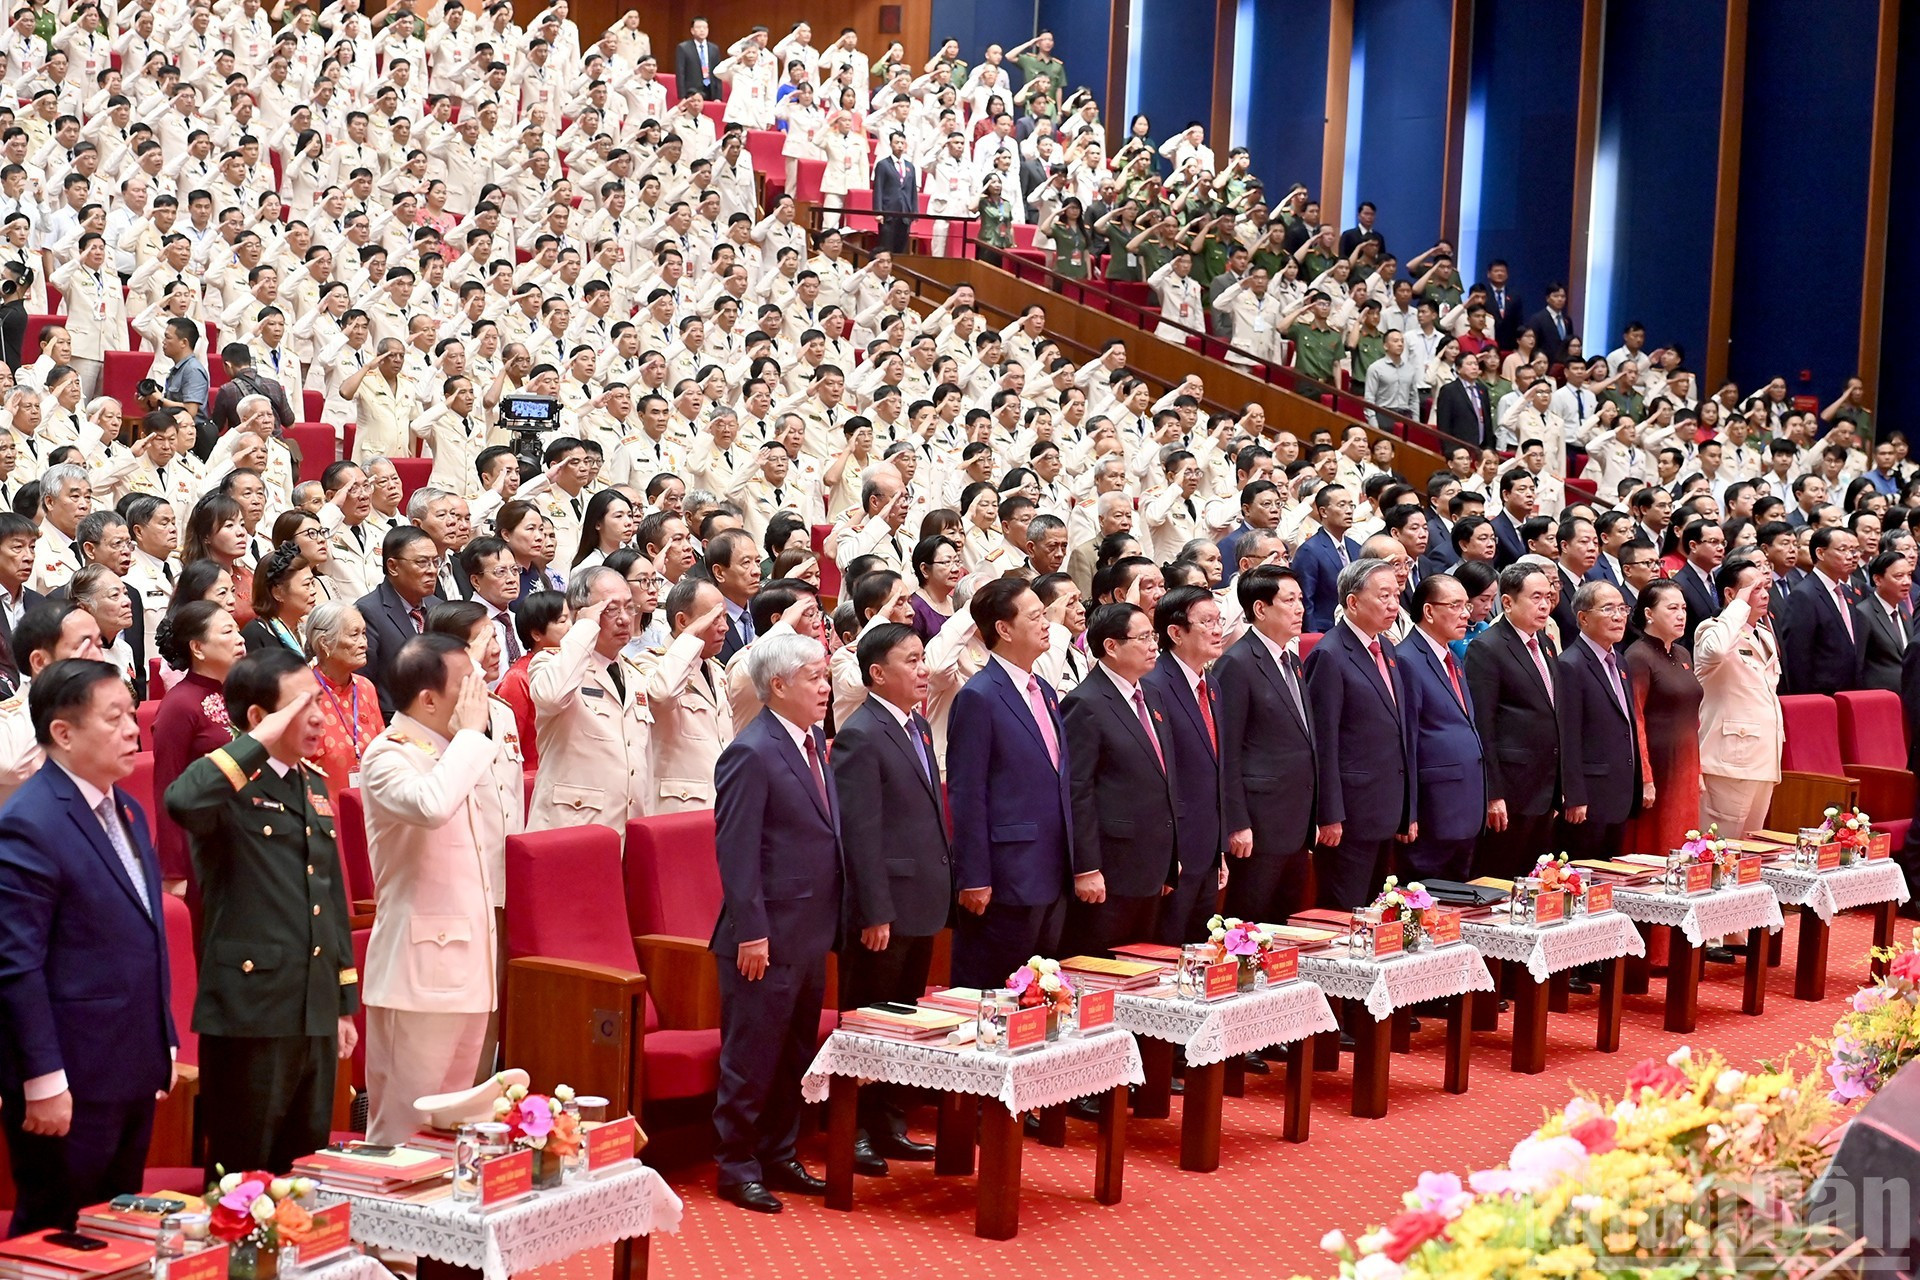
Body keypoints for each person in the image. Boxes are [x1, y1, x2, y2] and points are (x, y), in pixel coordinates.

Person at [163, 649, 357, 1178]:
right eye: (303, 705)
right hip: (252, 1011)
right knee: (241, 1177)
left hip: (312, 1004)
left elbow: (330, 896)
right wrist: (255, 744)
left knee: (300, 1173)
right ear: (260, 719)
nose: (320, 716)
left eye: (320, 701)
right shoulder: (227, 783)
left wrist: (342, 1002)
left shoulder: (313, 784)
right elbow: (181, 801)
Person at [0, 659, 175, 1234]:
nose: (133, 730)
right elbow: (15, 965)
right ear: (63, 733)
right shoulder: (29, 821)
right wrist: (42, 1079)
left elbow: (144, 933)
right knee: (53, 1234)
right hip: (70, 1076)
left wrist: (164, 1038)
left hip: (131, 1062)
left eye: (132, 714)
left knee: (115, 1232)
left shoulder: (120, 805)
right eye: (115, 717)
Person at [711, 631, 844, 1214]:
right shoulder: (752, 750)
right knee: (752, 1055)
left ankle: (778, 1151)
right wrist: (751, 931)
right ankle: (736, 1164)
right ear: (779, 684)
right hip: (763, 937)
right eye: (814, 677)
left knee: (794, 1052)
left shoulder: (812, 742)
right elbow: (736, 853)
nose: (826, 685)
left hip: (810, 930)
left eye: (826, 675)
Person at [358, 633, 500, 1145]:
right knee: (403, 1124)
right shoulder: (388, 755)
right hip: (418, 973)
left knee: (451, 1125)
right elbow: (431, 805)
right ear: (430, 699)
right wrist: (468, 738)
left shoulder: (455, 750)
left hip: (468, 963)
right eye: (467, 686)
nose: (478, 697)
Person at [829, 622, 947, 1164]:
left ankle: (889, 1121)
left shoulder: (915, 727)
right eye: (912, 660)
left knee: (903, 1020)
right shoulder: (860, 733)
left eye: (924, 659)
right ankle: (852, 1129)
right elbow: (861, 832)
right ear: (877, 673)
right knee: (868, 1019)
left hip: (920, 897)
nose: (923, 670)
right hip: (884, 908)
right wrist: (874, 909)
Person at [946, 577, 1077, 989]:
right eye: (1036, 616)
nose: (1048, 625)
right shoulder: (979, 696)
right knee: (996, 993)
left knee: (1041, 994)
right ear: (1003, 629)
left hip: (1053, 868)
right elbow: (967, 793)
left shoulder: (1045, 692)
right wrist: (975, 876)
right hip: (1006, 876)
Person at [1059, 602, 1178, 955]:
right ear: (1111, 646)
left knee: (1145, 968)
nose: (1153, 645)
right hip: (1111, 868)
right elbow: (1077, 791)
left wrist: (1172, 855)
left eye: (1153, 636)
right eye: (1143, 638)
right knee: (1106, 969)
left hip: (1153, 862)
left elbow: (1162, 776)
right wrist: (1086, 867)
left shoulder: (1151, 694)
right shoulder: (1085, 703)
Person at [1303, 558, 1416, 907]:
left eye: (1396, 595)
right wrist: (1329, 813)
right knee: (1345, 912)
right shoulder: (1330, 654)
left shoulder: (1387, 647)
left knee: (1376, 912)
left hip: (1385, 807)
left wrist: (1408, 809)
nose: (1394, 604)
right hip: (1350, 814)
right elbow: (1324, 742)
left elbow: (1401, 731)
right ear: (1352, 602)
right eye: (1384, 596)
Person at [1213, 566, 1317, 925]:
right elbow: (1227, 753)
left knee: (1287, 927)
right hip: (1259, 824)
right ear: (1260, 609)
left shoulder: (1291, 660)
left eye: (1300, 599)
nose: (1300, 608)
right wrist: (1236, 822)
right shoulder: (1236, 663)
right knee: (1252, 927)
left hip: (1296, 819)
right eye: (1289, 601)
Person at [527, 568, 653, 831]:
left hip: (630, 827)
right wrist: (584, 627)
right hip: (573, 828)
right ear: (579, 613)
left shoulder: (634, 673)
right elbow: (552, 695)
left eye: (629, 608)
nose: (623, 619)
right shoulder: (551, 663)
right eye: (610, 609)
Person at [1140, 586, 1227, 945]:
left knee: (1200, 949)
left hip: (1208, 847)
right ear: (1175, 633)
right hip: (1174, 852)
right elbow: (1156, 780)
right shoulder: (1152, 685)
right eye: (1206, 622)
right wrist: (1167, 855)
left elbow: (1218, 768)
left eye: (1218, 620)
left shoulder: (1212, 683)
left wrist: (1221, 843)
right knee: (1168, 948)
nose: (1218, 629)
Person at [1465, 563, 1562, 879]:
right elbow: (1484, 725)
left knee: (1536, 880)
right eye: (1535, 597)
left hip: (1545, 785)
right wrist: (1493, 794)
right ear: (1507, 602)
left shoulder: (1545, 642)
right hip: (1511, 788)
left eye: (1548, 596)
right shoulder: (1487, 647)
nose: (1545, 605)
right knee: (1502, 879)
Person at [1394, 574, 1484, 880]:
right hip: (1434, 809)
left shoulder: (1452, 657)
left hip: (1465, 804)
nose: (1466, 614)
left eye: (1467, 605)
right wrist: (1410, 811)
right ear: (1429, 611)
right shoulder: (1407, 658)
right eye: (1456, 605)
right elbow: (1407, 739)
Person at [149, 601, 241, 895]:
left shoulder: (243, 693)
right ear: (198, 648)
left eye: (238, 629)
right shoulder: (179, 704)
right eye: (227, 631)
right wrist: (174, 871)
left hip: (243, 835)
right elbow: (167, 784)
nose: (240, 638)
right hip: (198, 843)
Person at [1553, 582, 1644, 860]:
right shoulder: (1571, 664)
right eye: (1608, 609)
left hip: (1619, 792)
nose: (1619, 616)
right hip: (1589, 798)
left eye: (1622, 608)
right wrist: (1574, 795)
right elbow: (1568, 736)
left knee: (1610, 880)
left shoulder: (1620, 661)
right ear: (1583, 618)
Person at [1695, 559, 1784, 837]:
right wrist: (1737, 608)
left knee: (1751, 846)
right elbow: (1717, 652)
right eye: (1755, 588)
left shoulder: (1764, 634)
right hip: (1729, 759)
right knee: (1720, 846)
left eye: (1766, 586)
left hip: (1763, 756)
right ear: (1730, 594)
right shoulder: (1712, 629)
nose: (1765, 594)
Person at [635, 577, 733, 813]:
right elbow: (662, 695)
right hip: (679, 807)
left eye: (725, 617)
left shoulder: (716, 669)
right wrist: (689, 638)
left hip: (722, 800)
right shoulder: (648, 662)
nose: (724, 627)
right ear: (682, 621)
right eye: (713, 618)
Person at [1622, 578, 1704, 857]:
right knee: (1657, 840)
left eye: (1683, 608)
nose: (1681, 615)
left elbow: (1692, 718)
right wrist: (1645, 777)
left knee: (1685, 836)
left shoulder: (1682, 652)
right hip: (1658, 764)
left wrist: (1699, 770)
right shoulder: (1638, 655)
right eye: (1672, 608)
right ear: (1649, 613)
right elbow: (1636, 718)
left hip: (1686, 760)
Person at [356, 525, 447, 716]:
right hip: (394, 724)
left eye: (435, 562)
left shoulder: (437, 606)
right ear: (393, 566)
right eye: (422, 562)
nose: (432, 571)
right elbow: (362, 684)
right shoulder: (368, 611)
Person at [305, 602, 385, 802]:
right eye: (354, 634)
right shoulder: (303, 694)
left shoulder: (366, 687)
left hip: (372, 809)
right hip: (324, 817)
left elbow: (382, 751)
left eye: (364, 634)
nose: (364, 643)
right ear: (325, 643)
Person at [1779, 525, 1863, 694]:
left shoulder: (1847, 591)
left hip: (1853, 690)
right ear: (1820, 553)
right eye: (1842, 549)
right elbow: (1798, 657)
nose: (1850, 556)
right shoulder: (1803, 595)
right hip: (1823, 694)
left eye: (1853, 550)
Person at [1293, 484, 1359, 633]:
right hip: (1324, 631)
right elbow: (1305, 600)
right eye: (1342, 505)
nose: (1349, 511)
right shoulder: (1309, 550)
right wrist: (1313, 638)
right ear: (1323, 511)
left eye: (1351, 505)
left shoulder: (1356, 547)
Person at [1856, 550, 1912, 693]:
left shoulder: (1905, 613)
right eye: (1899, 576)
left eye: (1909, 575)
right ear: (1878, 580)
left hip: (1909, 696)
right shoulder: (1863, 613)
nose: (1907, 581)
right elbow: (1857, 664)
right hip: (1879, 698)